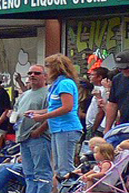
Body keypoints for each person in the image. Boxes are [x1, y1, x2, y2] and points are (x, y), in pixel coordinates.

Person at [26, 54, 84, 184]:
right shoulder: (56, 85)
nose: (46, 71)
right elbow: (54, 107)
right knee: (58, 168)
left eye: (47, 67)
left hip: (67, 128)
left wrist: (42, 117)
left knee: (66, 168)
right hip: (57, 128)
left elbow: (67, 107)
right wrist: (37, 112)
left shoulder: (65, 84)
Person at [14, 64, 51, 193]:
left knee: (42, 173)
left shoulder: (49, 93)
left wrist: (39, 130)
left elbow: (52, 115)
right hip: (23, 137)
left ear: (45, 77)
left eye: (36, 73)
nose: (32, 76)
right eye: (30, 73)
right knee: (29, 174)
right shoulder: (25, 95)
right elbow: (16, 112)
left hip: (39, 137)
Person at [104, 51, 129, 133]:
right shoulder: (117, 79)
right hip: (124, 126)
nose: (123, 70)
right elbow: (112, 105)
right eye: (120, 68)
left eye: (126, 68)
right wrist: (107, 129)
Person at [87, 66, 110, 136]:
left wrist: (94, 128)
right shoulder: (96, 88)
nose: (90, 77)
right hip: (91, 124)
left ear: (99, 77)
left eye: (92, 75)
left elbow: (101, 111)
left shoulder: (103, 91)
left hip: (98, 127)